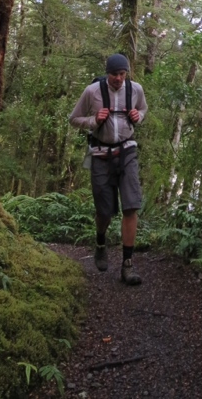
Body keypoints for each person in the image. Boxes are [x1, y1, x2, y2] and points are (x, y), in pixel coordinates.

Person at [69, 53, 147, 285]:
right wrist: (94, 120)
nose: (119, 79)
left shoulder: (135, 90)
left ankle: (127, 264)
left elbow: (143, 109)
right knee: (104, 211)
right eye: (114, 74)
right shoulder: (91, 92)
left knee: (131, 206)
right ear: (107, 73)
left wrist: (138, 116)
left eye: (122, 74)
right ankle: (100, 242)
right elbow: (74, 118)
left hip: (127, 151)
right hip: (101, 153)